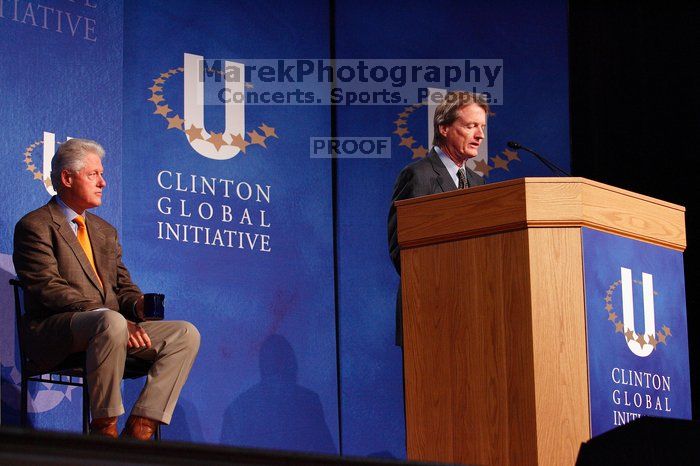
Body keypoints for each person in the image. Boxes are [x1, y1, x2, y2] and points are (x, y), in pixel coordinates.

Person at [13, 138, 200, 440]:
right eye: (94, 174)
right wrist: (107, 315)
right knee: (111, 321)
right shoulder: (35, 225)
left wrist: (137, 306)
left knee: (185, 334)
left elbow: (122, 289)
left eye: (102, 174)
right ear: (67, 178)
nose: (103, 182)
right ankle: (104, 428)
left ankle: (141, 426)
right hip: (57, 330)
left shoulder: (104, 232)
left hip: (111, 329)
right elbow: (48, 288)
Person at [387, 91, 490, 345]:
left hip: (474, 311)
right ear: (444, 127)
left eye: (482, 127)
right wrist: (443, 287)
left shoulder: (477, 182)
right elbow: (401, 248)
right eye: (471, 126)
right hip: (430, 311)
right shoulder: (418, 175)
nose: (480, 135)